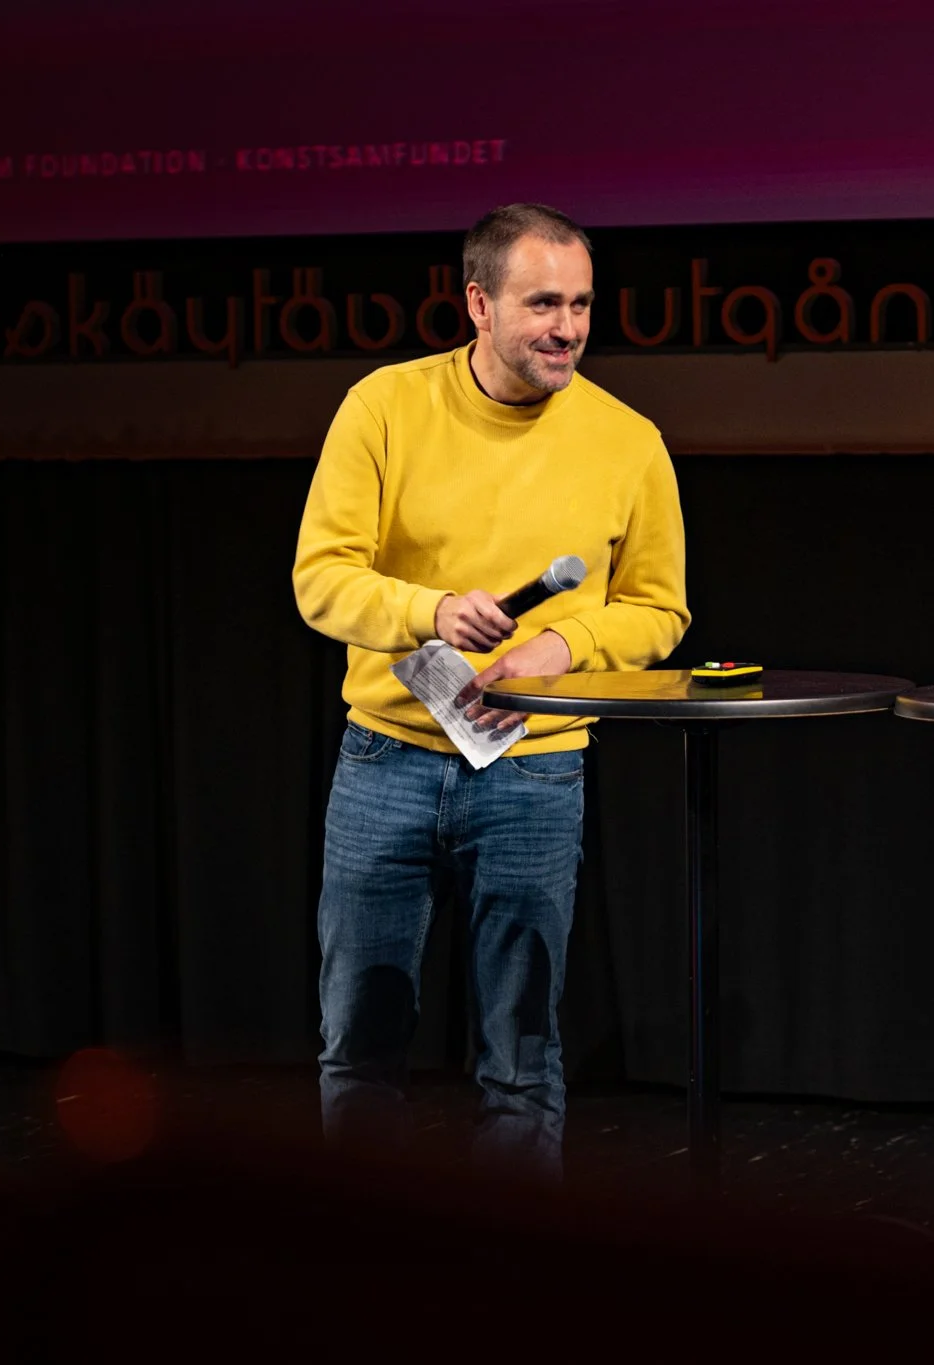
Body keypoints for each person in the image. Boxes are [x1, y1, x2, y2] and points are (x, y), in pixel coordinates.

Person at [292, 202, 689, 1179]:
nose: (567, 328)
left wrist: (564, 646)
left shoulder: (626, 439)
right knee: (359, 1047)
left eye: (583, 304)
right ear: (477, 303)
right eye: (542, 302)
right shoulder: (383, 407)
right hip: (385, 762)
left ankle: (514, 1290)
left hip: (533, 771)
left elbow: (660, 609)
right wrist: (429, 611)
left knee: (521, 1056)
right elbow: (320, 579)